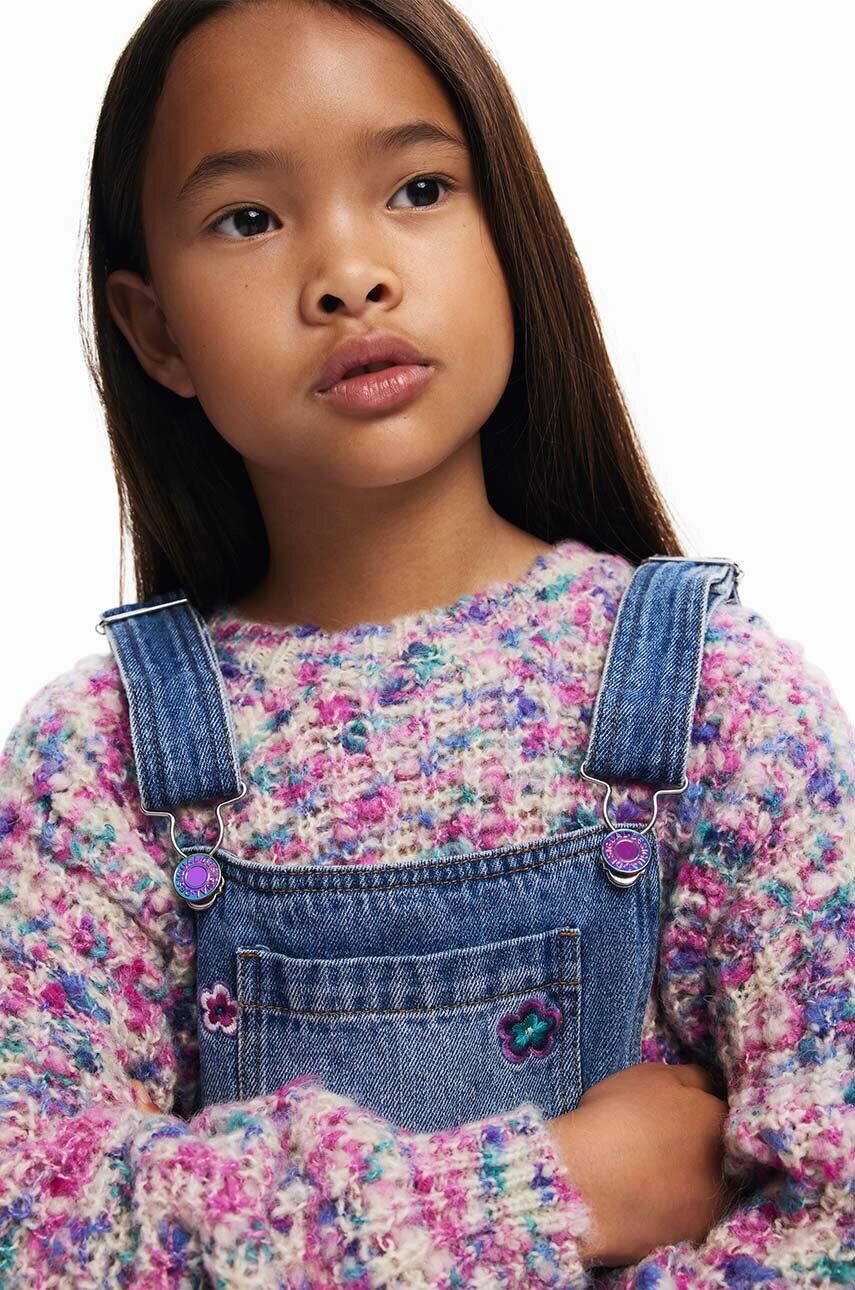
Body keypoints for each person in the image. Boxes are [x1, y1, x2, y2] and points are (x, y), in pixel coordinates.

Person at [0, 0, 851, 1284]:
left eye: (417, 189)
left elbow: (833, 1220)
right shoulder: (100, 766)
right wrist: (547, 1191)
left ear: (508, 234)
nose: (349, 275)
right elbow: (38, 1230)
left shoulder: (720, 708)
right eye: (249, 218)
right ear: (156, 328)